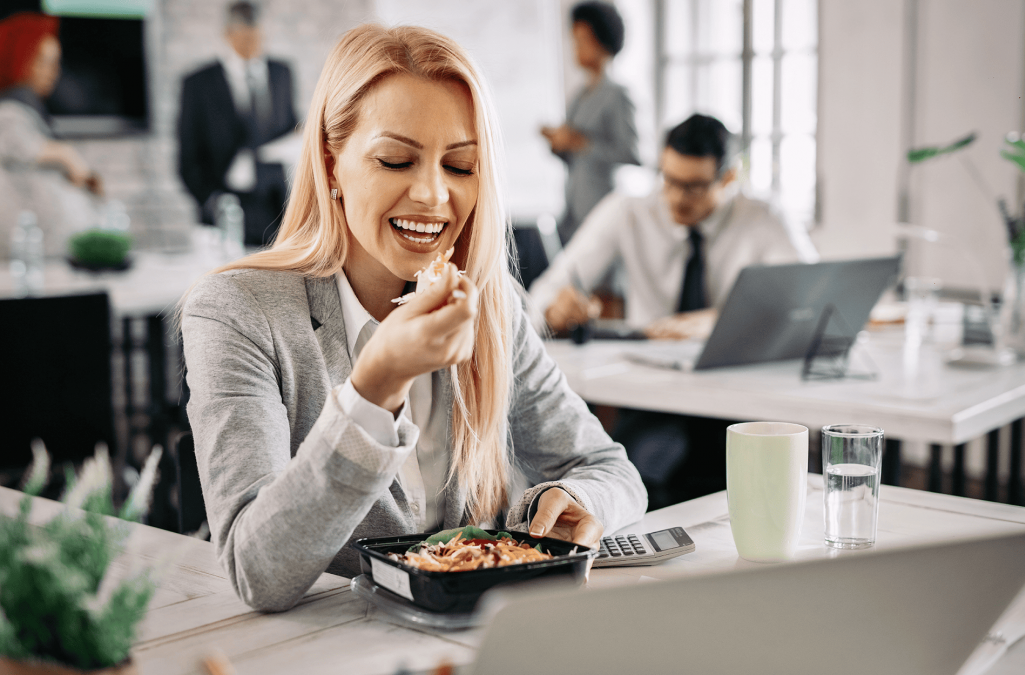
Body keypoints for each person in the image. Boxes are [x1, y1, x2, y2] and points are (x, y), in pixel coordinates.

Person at [181, 23, 647, 612]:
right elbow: (256, 570)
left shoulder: (488, 303)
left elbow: (610, 469)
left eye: (459, 167)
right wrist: (374, 388)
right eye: (397, 160)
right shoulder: (237, 313)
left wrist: (571, 497)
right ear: (331, 168)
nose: (432, 194)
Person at [529, 113, 816, 507]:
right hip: (654, 398)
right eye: (669, 180)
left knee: (747, 488)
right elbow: (543, 293)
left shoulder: (763, 217)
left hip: (737, 402)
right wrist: (555, 309)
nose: (678, 197)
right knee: (647, 476)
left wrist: (716, 322)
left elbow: (811, 301)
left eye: (696, 186)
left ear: (729, 178)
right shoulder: (628, 210)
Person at [178, 1, 298, 247]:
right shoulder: (199, 83)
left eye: (256, 35)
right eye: (244, 36)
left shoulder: (281, 73)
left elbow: (291, 126)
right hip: (225, 206)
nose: (252, 43)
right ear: (228, 35)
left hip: (276, 208)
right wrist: (211, 200)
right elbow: (188, 154)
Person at [0, 12, 102, 258]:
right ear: (18, 58)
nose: (53, 72)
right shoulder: (9, 115)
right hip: (33, 257)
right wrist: (68, 157)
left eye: (56, 63)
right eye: (43, 61)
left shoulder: (31, 113)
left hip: (49, 253)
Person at [541, 1, 639, 245]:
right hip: (573, 207)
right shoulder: (581, 94)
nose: (576, 47)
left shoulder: (618, 95)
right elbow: (574, 157)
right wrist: (559, 143)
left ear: (602, 41)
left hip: (602, 207)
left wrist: (579, 142)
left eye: (583, 40)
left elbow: (632, 154)